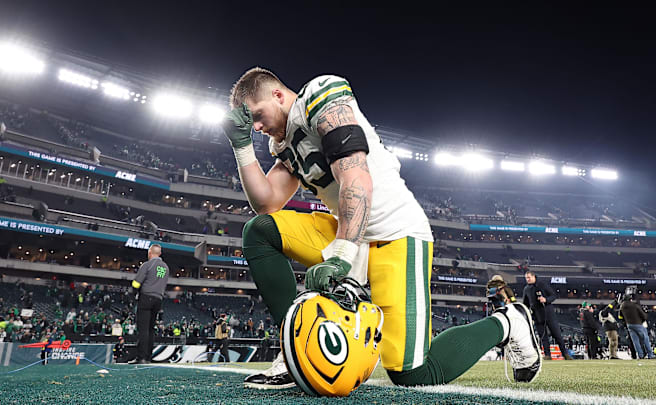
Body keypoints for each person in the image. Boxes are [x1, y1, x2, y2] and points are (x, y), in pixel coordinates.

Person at [222, 67, 542, 389]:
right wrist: (241, 146)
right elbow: (268, 202)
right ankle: (293, 350)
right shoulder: (284, 143)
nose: (258, 127)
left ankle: (507, 322)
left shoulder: (320, 96)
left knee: (413, 374)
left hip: (395, 232)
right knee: (260, 230)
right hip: (347, 231)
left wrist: (341, 255)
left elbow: (356, 177)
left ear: (278, 95)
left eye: (258, 116)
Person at [129, 244, 169, 364]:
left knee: (143, 329)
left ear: (150, 253)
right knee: (151, 329)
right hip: (158, 299)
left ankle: (141, 357)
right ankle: (148, 356)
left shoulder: (147, 264)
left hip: (146, 297)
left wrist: (132, 294)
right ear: (160, 253)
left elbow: (136, 283)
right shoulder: (166, 267)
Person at [522, 271, 572, 360]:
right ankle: (547, 355)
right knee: (543, 337)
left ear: (534, 277)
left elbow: (553, 296)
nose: (527, 279)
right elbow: (526, 303)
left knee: (557, 335)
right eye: (526, 278)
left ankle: (565, 354)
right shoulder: (526, 289)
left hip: (548, 314)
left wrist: (546, 299)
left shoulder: (542, 285)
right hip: (537, 316)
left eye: (529, 277)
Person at [619, 293, 655, 359]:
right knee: (645, 339)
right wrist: (645, 316)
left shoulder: (622, 306)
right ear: (630, 299)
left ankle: (640, 355)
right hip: (638, 323)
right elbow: (643, 315)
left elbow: (621, 316)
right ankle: (650, 354)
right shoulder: (634, 305)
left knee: (635, 341)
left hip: (629, 325)